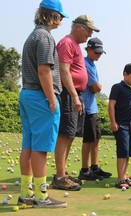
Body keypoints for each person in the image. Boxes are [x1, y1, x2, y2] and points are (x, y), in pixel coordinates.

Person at [18, 0, 68, 208]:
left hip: (27, 94)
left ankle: (25, 192)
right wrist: (51, 99)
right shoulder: (46, 37)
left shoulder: (33, 35)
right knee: (40, 149)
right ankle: (41, 196)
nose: (62, 20)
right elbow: (44, 70)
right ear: (51, 15)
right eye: (60, 16)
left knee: (28, 146)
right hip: (40, 97)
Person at [52, 15, 100, 191]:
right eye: (88, 30)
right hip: (68, 94)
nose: (89, 35)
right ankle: (59, 177)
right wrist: (73, 96)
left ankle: (62, 173)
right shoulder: (67, 43)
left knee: (70, 135)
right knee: (64, 134)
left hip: (76, 94)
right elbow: (63, 71)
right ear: (79, 27)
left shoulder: (76, 45)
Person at [78, 37, 112, 181]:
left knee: (96, 138)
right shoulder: (85, 64)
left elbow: (97, 87)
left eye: (100, 52)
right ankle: (85, 170)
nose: (98, 55)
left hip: (93, 107)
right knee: (88, 140)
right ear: (88, 50)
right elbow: (96, 87)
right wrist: (98, 86)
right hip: (86, 107)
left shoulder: (92, 64)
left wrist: (98, 86)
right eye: (96, 52)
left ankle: (94, 167)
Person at [108, 63, 131, 189]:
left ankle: (124, 177)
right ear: (125, 74)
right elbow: (111, 105)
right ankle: (120, 179)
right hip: (121, 125)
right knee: (122, 152)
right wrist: (113, 122)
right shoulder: (117, 87)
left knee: (129, 152)